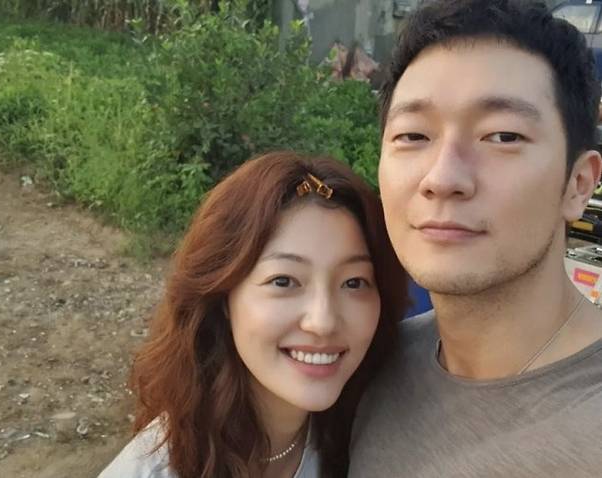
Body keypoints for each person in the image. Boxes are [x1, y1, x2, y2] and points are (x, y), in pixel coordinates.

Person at [348, 0, 602, 476]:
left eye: (503, 136)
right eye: (413, 136)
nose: (442, 178)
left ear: (578, 184)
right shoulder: (363, 364)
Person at [98, 151, 407, 478]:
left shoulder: (373, 430)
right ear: (223, 298)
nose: (323, 321)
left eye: (354, 282)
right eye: (284, 281)